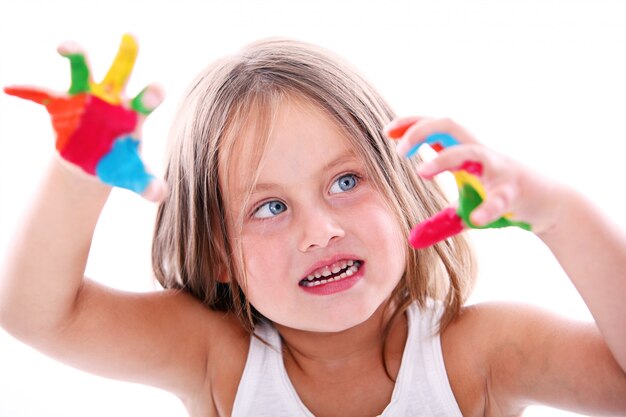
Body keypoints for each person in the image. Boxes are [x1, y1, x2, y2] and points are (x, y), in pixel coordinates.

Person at [0, 34, 625, 417]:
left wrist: (559, 217)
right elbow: (37, 315)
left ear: (406, 190)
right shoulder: (216, 359)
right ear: (218, 254)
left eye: (345, 183)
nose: (319, 231)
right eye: (269, 207)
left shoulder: (480, 352)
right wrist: (80, 173)